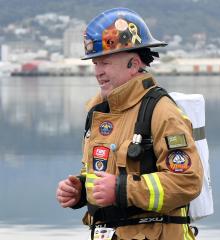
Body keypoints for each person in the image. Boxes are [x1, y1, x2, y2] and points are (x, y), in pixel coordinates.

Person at [56, 7, 203, 240]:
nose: (98, 72)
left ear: (133, 64)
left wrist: (121, 189)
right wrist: (81, 190)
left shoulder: (162, 111)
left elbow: (187, 181)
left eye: (104, 62)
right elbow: (103, 174)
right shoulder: (99, 112)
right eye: (95, 63)